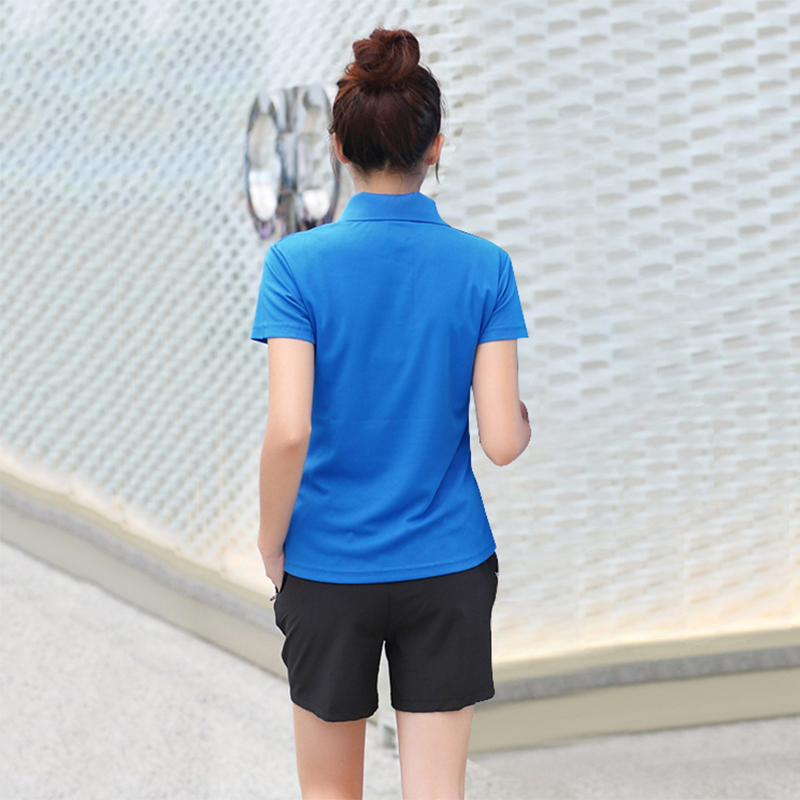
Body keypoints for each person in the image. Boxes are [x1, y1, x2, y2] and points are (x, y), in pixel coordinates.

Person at [250, 27, 530, 800]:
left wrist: (272, 542)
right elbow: (501, 440)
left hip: (327, 566)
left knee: (330, 793)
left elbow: (290, 430)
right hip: (448, 563)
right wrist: (520, 415)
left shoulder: (294, 266)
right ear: (435, 146)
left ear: (340, 149)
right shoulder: (485, 266)